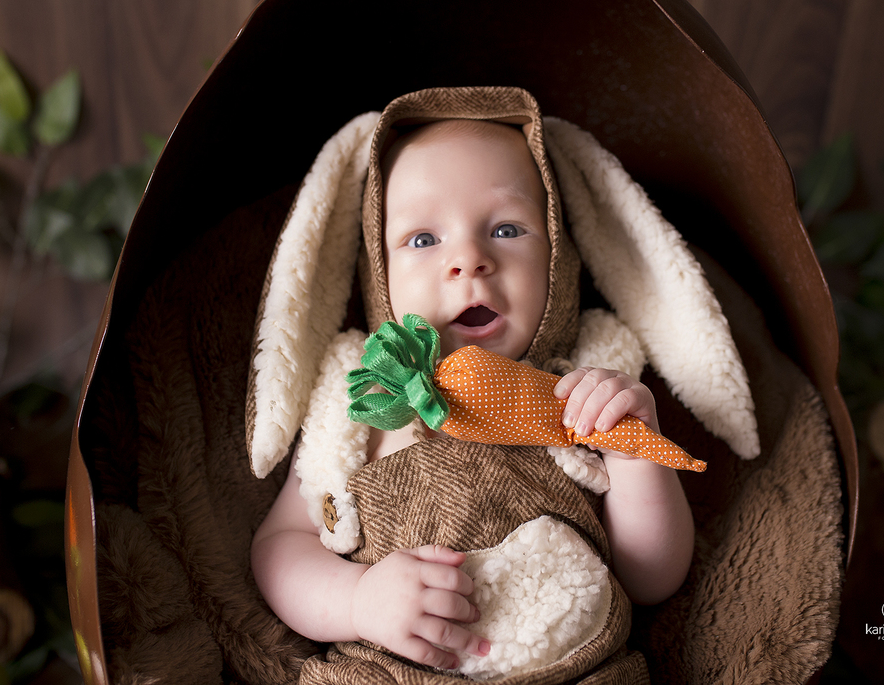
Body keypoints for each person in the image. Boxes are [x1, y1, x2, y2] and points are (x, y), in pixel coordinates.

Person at [251, 91, 695, 679]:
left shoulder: (583, 389)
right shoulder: (360, 400)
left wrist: (637, 452)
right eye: (424, 239)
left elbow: (650, 578)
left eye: (507, 228)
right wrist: (358, 600)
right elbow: (281, 547)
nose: (469, 259)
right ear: (377, 275)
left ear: (560, 259)